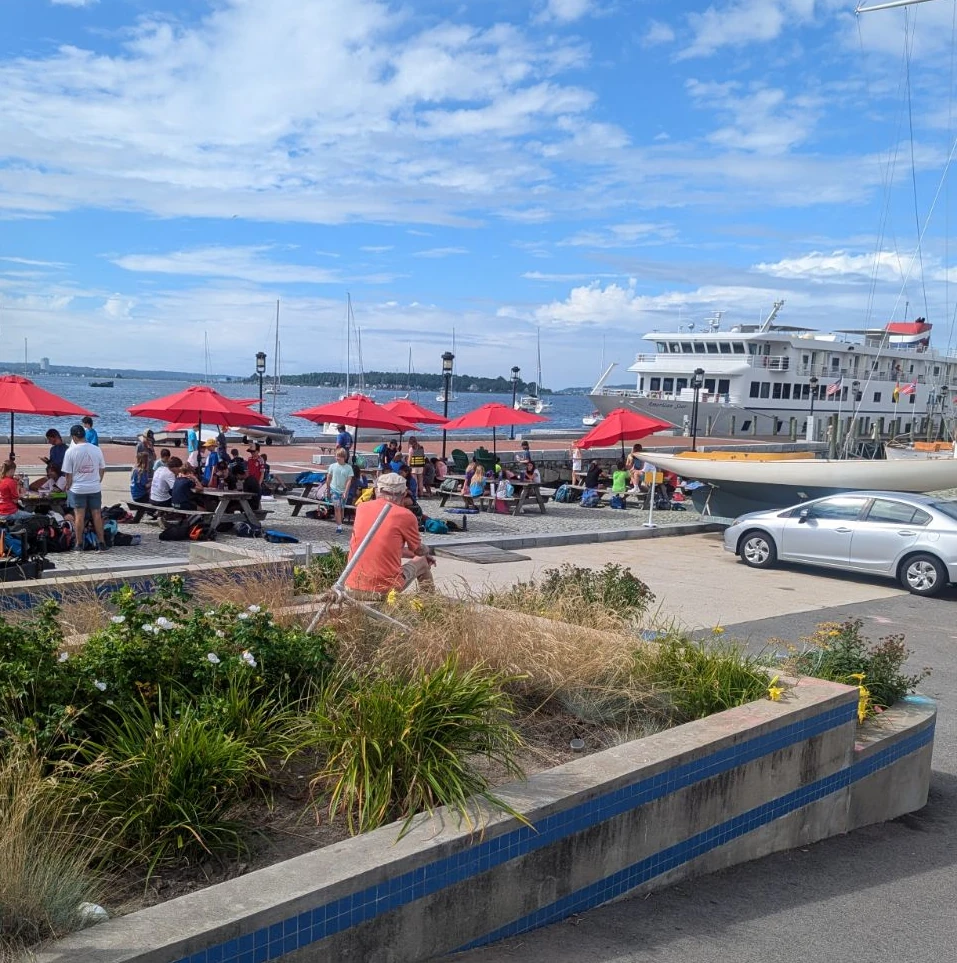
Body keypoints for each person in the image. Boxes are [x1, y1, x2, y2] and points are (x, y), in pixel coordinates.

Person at [344, 472, 436, 598]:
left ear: (377, 491)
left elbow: (383, 546)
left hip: (351, 586)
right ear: (404, 494)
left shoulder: (361, 508)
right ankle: (428, 604)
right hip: (383, 589)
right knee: (423, 561)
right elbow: (419, 551)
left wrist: (411, 552)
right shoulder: (405, 516)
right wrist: (427, 551)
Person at [62, 424, 107, 549]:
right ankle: (101, 542)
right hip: (94, 487)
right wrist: (98, 481)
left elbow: (68, 474)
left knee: (79, 515)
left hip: (78, 488)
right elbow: (102, 468)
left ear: (74, 437)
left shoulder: (70, 451)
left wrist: (68, 486)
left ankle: (79, 543)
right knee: (97, 514)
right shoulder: (96, 449)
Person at [327, 447, 354, 535]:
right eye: (336, 456)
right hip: (334, 490)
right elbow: (328, 478)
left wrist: (346, 492)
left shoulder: (348, 468)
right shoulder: (332, 466)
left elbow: (349, 480)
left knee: (342, 509)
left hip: (343, 491)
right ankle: (339, 526)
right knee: (337, 508)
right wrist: (328, 490)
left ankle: (340, 523)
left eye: (339, 456)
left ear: (344, 457)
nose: (337, 458)